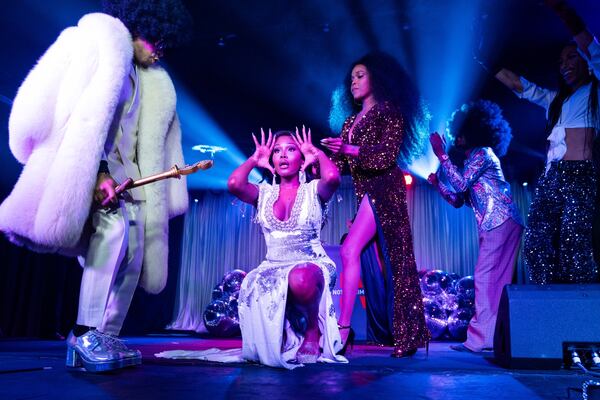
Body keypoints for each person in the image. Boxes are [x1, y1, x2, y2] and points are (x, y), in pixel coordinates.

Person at [0, 0, 192, 371]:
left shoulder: (157, 84)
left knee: (134, 256)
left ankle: (105, 336)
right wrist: (99, 172)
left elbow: (163, 143)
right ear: (140, 28)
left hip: (135, 181)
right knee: (113, 234)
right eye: (156, 42)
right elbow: (46, 105)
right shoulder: (92, 44)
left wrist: (169, 188)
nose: (160, 52)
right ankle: (86, 332)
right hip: (90, 171)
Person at [321, 51, 430, 357]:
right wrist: (313, 154)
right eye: (351, 77)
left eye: (360, 75)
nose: (353, 82)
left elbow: (384, 157)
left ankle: (346, 328)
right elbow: (338, 165)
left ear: (377, 78)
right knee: (371, 260)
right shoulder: (349, 122)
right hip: (364, 194)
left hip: (384, 189)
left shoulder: (389, 112)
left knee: (376, 256)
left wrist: (349, 148)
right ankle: (385, 331)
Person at [491, 0, 599, 284]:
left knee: (574, 242)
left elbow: (593, 49)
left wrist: (565, 13)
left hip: (579, 175)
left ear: (586, 63)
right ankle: (546, 303)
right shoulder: (556, 101)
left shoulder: (595, 91)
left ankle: (581, 309)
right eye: (561, 62)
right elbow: (521, 87)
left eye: (572, 58)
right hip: (552, 177)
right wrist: (486, 62)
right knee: (536, 241)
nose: (565, 65)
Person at [227, 127, 345, 369]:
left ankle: (313, 331)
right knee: (251, 280)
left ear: (301, 158)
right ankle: (279, 335)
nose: (282, 155)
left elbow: (333, 178)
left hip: (312, 264)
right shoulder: (264, 193)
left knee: (300, 277)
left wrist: (317, 153)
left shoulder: (313, 190)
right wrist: (253, 159)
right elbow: (234, 183)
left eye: (291, 150)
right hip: (273, 265)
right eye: (277, 151)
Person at [428, 100, 523, 352]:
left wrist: (441, 155)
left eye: (462, 131)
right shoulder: (472, 161)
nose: (457, 137)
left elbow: (460, 185)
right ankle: (491, 339)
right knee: (495, 281)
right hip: (501, 221)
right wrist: (437, 185)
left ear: (475, 130)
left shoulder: (483, 153)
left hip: (499, 220)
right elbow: (460, 200)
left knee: (483, 277)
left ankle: (479, 339)